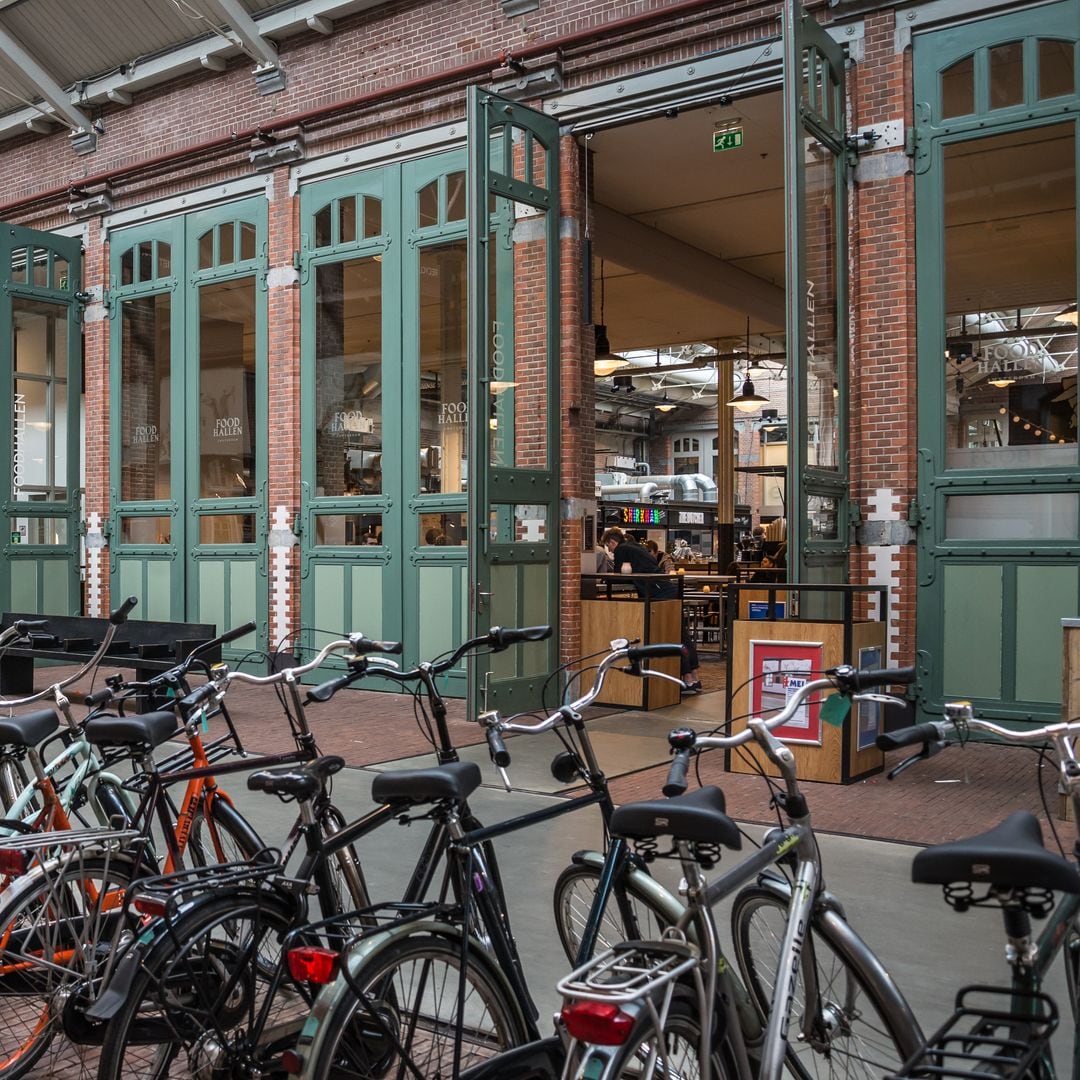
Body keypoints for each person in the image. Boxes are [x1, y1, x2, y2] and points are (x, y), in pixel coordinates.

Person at [599, 529, 702, 693]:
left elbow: (619, 575)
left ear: (613, 542)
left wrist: (605, 577)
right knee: (680, 633)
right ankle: (694, 678)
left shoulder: (621, 549)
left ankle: (688, 680)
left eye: (608, 546)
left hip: (657, 592)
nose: (610, 550)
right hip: (668, 588)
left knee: (669, 635)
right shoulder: (636, 546)